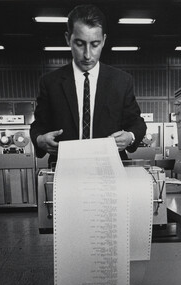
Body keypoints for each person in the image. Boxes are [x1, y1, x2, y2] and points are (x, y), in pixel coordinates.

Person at [30, 4, 146, 166]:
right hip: (65, 171)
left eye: (95, 44)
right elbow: (38, 126)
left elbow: (137, 123)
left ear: (104, 40)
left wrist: (130, 136)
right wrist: (40, 139)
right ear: (67, 38)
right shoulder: (50, 82)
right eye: (79, 43)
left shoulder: (122, 81)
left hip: (111, 172)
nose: (87, 54)